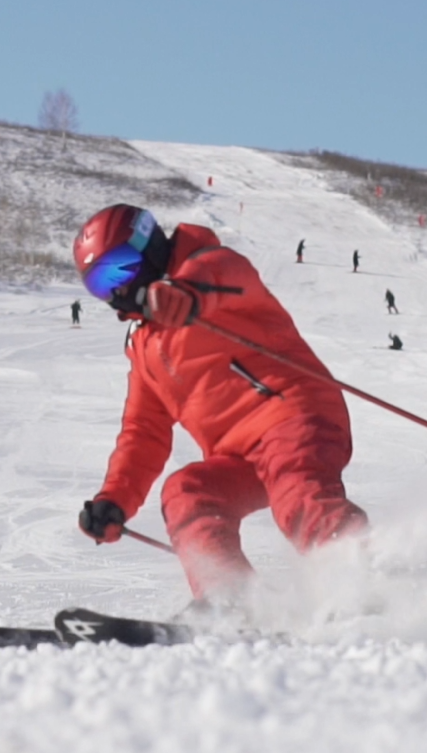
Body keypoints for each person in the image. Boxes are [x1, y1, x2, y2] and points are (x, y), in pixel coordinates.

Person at [72, 204, 368, 605]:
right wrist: (114, 500)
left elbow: (225, 277)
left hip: (295, 415)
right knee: (188, 492)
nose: (118, 290)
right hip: (240, 457)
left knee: (294, 487)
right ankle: (231, 600)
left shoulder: (208, 264)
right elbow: (143, 433)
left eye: (120, 269)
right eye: (102, 284)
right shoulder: (144, 348)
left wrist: (187, 294)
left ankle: (362, 579)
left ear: (150, 247)